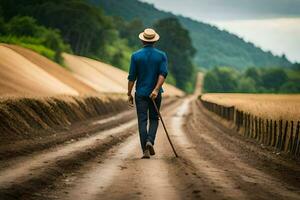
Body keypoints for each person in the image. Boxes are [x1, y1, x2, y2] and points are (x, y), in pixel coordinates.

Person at [127, 28, 168, 159]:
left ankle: (145, 149)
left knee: (142, 121)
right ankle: (150, 140)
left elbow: (132, 77)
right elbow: (163, 74)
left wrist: (129, 93)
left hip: (141, 93)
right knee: (154, 119)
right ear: (155, 41)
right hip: (155, 94)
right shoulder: (161, 55)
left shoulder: (135, 56)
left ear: (142, 40)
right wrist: (156, 90)